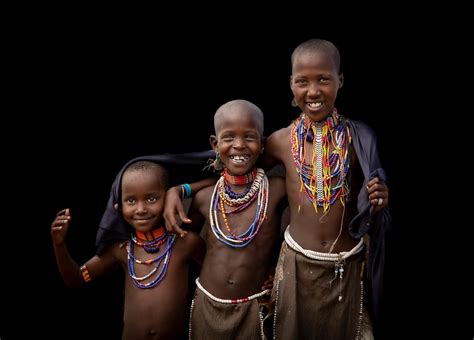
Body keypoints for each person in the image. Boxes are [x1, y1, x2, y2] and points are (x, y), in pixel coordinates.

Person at [164, 39, 390, 339]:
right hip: (295, 266)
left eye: (323, 79)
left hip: (346, 265)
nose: (313, 91)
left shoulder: (357, 137)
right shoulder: (281, 141)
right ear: (291, 85)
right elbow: (234, 172)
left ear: (341, 81)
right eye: (302, 81)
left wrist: (379, 198)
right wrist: (182, 190)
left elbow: (373, 190)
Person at [165, 99, 287, 339]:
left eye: (249, 138)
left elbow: (301, 227)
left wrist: (279, 270)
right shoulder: (204, 198)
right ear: (214, 143)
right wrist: (179, 190)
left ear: (262, 144)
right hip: (207, 304)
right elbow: (186, 243)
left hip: (254, 308)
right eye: (229, 137)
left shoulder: (278, 190)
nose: (239, 145)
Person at [51, 161, 206, 339]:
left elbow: (215, 182)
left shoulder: (186, 244)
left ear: (167, 199)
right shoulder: (121, 250)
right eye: (131, 201)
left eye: (151, 199)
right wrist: (59, 245)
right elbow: (78, 279)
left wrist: (179, 190)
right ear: (119, 207)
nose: (141, 209)